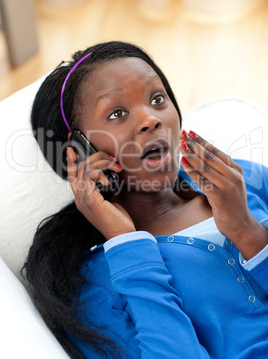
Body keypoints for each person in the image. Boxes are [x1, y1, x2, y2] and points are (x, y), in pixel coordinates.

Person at [23, 41, 268, 359]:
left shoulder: (239, 180)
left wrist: (246, 231)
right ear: (79, 153)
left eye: (157, 98)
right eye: (117, 113)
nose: (151, 119)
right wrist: (128, 244)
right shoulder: (93, 283)